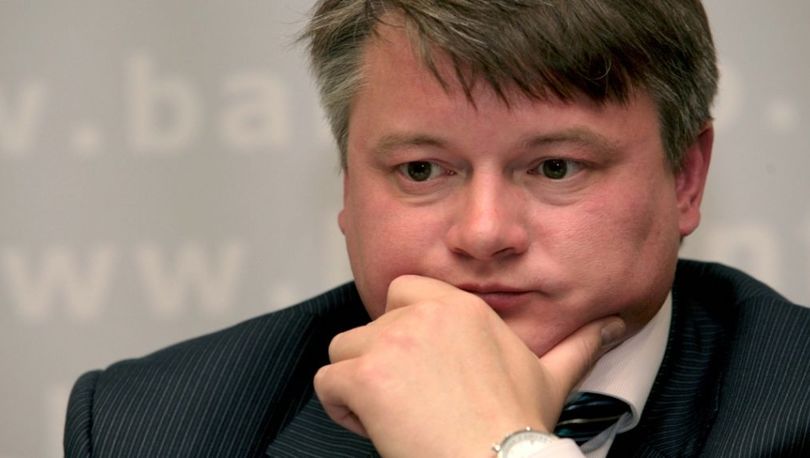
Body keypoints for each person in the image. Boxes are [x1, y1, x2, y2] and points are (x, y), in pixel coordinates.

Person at [64, 1, 810, 457]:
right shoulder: (153, 429)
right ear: (347, 184)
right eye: (421, 170)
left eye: (555, 167)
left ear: (685, 178)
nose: (484, 233)